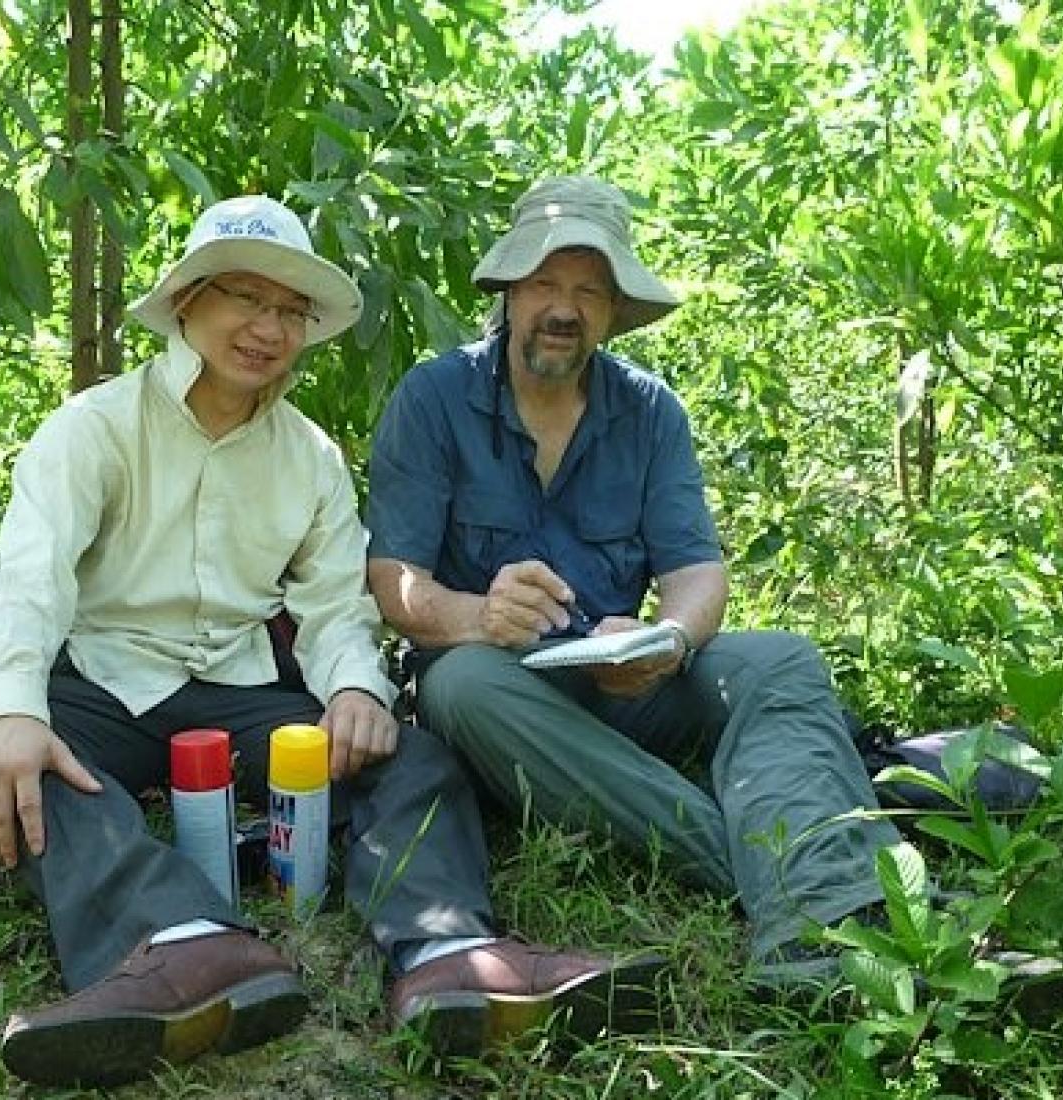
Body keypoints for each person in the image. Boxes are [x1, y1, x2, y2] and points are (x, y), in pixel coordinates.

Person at [0, 195, 669, 1089]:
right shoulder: (95, 428)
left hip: (240, 688)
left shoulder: (309, 457)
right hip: (101, 681)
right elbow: (28, 577)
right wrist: (7, 706)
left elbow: (332, 606)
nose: (267, 327)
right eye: (246, 297)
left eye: (290, 310)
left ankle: (448, 957)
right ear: (189, 303)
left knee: (408, 755)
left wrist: (356, 688)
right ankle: (181, 945)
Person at [365, 176, 902, 983]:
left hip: (620, 682)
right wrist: (482, 615)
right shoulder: (434, 397)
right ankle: (796, 878)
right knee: (461, 685)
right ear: (511, 291)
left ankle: (809, 920)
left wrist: (667, 639)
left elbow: (697, 572)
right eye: (545, 282)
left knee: (781, 659)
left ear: (614, 312)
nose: (563, 308)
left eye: (588, 291)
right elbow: (394, 580)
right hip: (501, 697)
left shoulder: (651, 412)